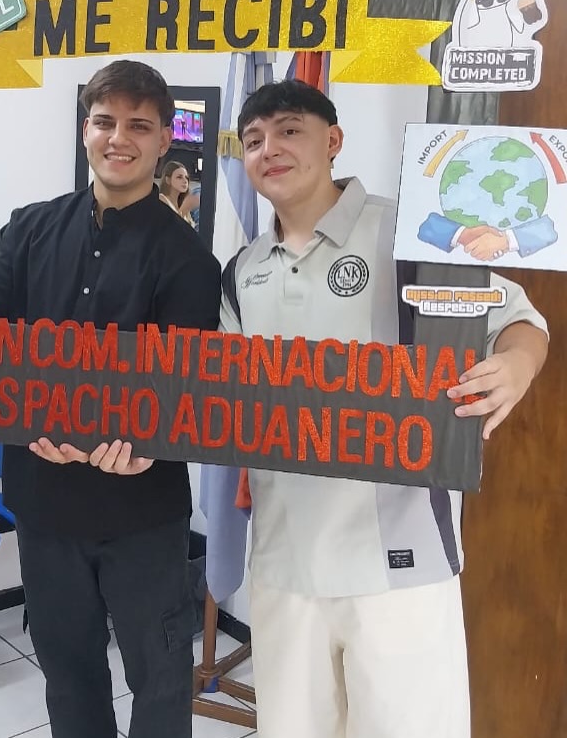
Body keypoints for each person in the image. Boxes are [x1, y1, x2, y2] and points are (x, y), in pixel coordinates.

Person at [220, 79, 548, 738]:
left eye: (289, 130)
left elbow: (517, 319)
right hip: (285, 560)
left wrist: (516, 365)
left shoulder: (412, 232)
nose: (269, 149)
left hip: (401, 559)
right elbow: (226, 396)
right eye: (253, 140)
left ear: (333, 141)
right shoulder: (239, 271)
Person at [0, 60, 222, 738]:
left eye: (139, 125)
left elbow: (183, 385)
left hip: (141, 511)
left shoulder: (190, 258)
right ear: (85, 131)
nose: (118, 138)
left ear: (165, 140)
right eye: (105, 121)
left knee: (159, 677)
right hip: (43, 502)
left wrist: (147, 443)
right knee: (68, 672)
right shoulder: (30, 228)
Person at [159, 160, 195, 226]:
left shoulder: (182, 205)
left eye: (186, 177)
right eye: (179, 177)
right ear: (168, 180)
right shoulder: (161, 199)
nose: (185, 181)